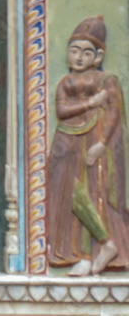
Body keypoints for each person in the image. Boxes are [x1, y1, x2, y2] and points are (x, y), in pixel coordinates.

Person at [47, 15, 129, 275]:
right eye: (74, 51)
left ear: (98, 56)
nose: (79, 58)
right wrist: (91, 104)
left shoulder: (107, 81)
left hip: (95, 142)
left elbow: (115, 114)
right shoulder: (64, 83)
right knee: (66, 194)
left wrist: (102, 144)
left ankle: (100, 248)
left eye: (86, 52)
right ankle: (83, 251)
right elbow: (61, 111)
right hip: (67, 141)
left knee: (96, 193)